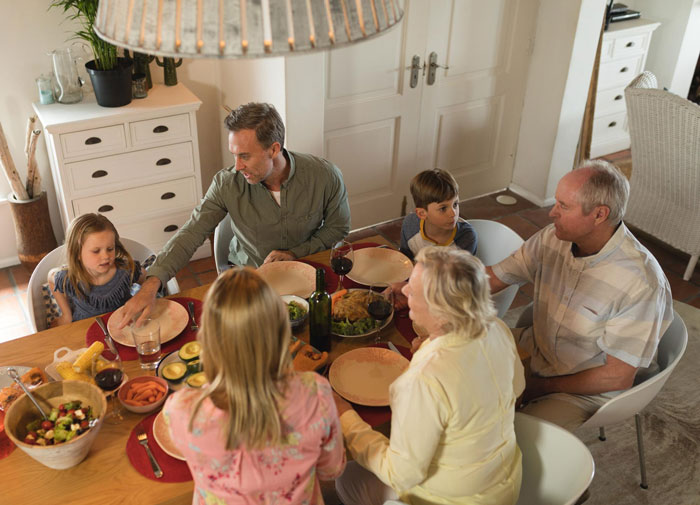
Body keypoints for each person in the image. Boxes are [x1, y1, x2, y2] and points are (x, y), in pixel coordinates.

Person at [119, 102, 351, 327]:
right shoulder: (226, 183)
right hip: (251, 283)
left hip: (308, 277)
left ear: (274, 149)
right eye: (234, 155)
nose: (237, 166)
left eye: (245, 156)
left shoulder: (325, 176)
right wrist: (152, 283)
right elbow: (191, 232)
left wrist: (295, 253)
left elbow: (337, 229)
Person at [486, 159, 673, 431]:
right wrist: (425, 287)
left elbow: (615, 377)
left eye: (563, 206)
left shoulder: (641, 283)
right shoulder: (554, 237)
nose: (552, 213)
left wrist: (540, 387)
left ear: (599, 214)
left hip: (581, 389)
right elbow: (494, 277)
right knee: (452, 368)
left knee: (504, 437)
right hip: (536, 349)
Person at [334, 247, 525, 505]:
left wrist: (346, 418)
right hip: (504, 485)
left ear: (439, 311)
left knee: (346, 478)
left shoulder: (424, 379)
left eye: (413, 288)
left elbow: (401, 474)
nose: (404, 291)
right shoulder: (498, 328)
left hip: (451, 500)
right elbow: (517, 387)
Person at [164, 267, 346, 504]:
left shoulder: (182, 410)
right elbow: (331, 470)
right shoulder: (316, 393)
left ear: (208, 341)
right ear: (281, 335)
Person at [49, 213, 145, 325]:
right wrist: (66, 315)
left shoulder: (125, 271)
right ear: (77, 253)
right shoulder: (70, 277)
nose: (105, 256)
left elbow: (143, 275)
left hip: (121, 325)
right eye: (96, 251)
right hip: (83, 326)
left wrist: (140, 296)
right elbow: (51, 279)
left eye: (110, 249)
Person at [399, 169, 477, 261]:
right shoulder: (410, 225)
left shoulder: (466, 237)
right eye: (443, 208)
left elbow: (462, 274)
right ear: (422, 213)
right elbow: (406, 262)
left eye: (455, 204)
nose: (453, 213)